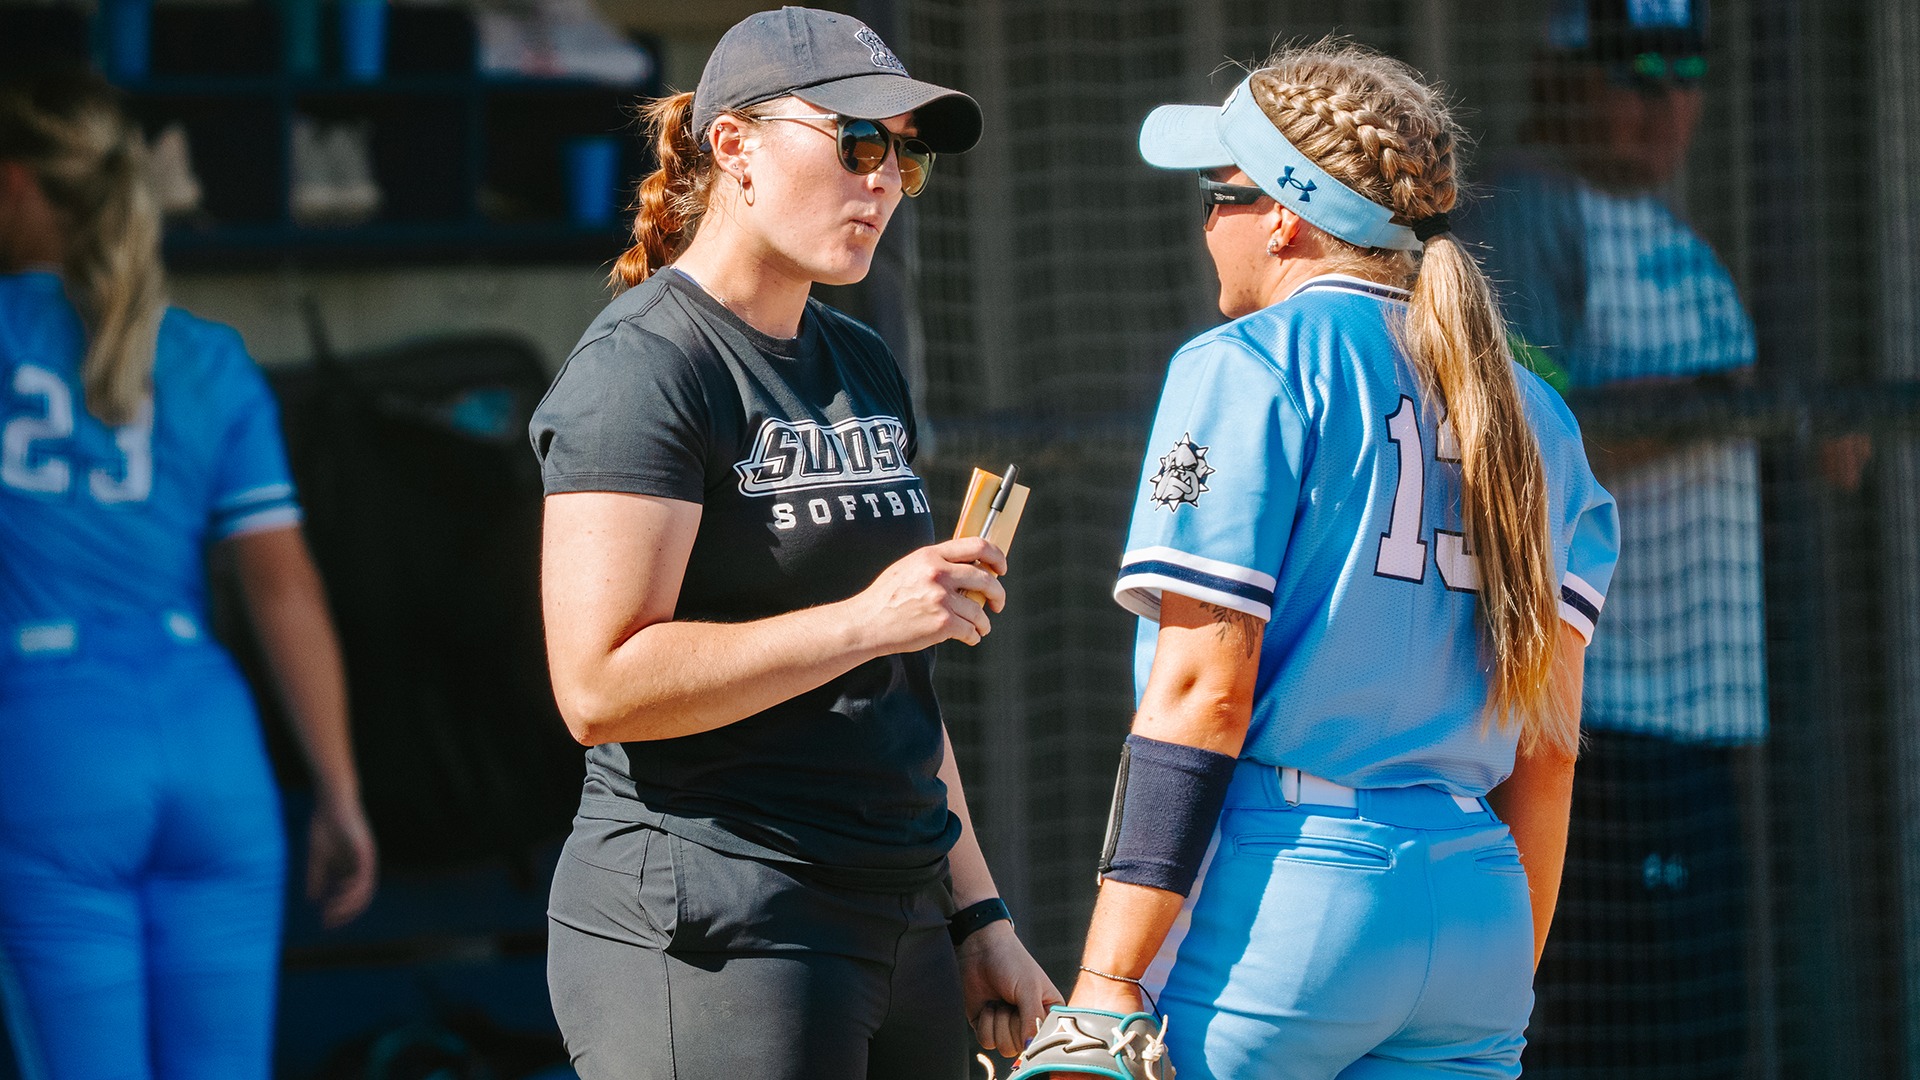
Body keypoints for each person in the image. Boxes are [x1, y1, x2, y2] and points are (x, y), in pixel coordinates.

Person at [1009, 41, 1621, 1080]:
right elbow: (1549, 751)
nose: (1209, 224)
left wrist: (1107, 984)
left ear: (1284, 215)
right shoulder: (1541, 415)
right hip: (1477, 901)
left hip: (1292, 892)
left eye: (1220, 196)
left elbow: (1204, 692)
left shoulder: (1245, 365)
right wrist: (1501, 964)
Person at [528, 8, 1059, 1078]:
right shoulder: (646, 366)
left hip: (895, 909)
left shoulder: (858, 359)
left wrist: (978, 914)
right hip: (720, 919)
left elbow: (894, 686)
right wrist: (865, 618)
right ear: (735, 149)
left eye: (905, 155)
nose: (885, 183)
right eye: (859, 142)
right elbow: (598, 686)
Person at [1455, 1, 1855, 1073]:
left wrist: (1791, 426)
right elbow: (1519, 446)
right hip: (1601, 720)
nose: (1667, 97)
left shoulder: (1669, 226)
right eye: (1636, 70)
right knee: (1614, 1039)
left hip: (1699, 709)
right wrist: (1723, 406)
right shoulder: (1534, 207)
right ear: (1562, 76)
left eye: (1688, 67)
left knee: (1693, 1032)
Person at [0, 68, 377, 1080]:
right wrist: (340, 791)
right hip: (213, 752)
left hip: (46, 748)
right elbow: (282, 588)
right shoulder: (207, 355)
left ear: (16, 186)